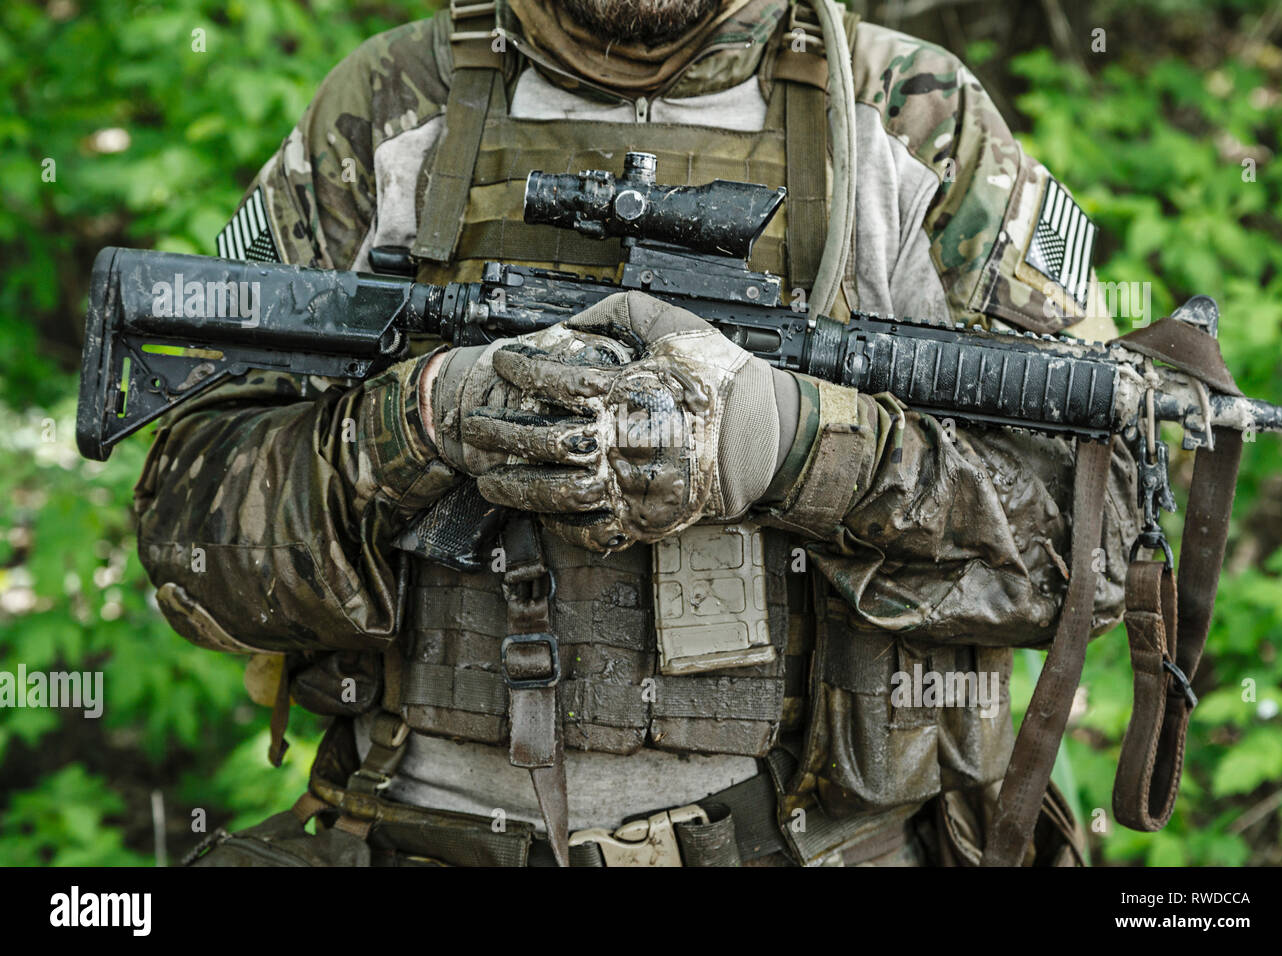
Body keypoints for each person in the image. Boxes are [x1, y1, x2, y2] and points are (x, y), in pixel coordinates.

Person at [142, 0, 1140, 867]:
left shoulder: (911, 120)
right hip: (414, 831)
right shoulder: (391, 108)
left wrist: (790, 446)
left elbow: (1106, 541)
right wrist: (419, 420)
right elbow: (187, 533)